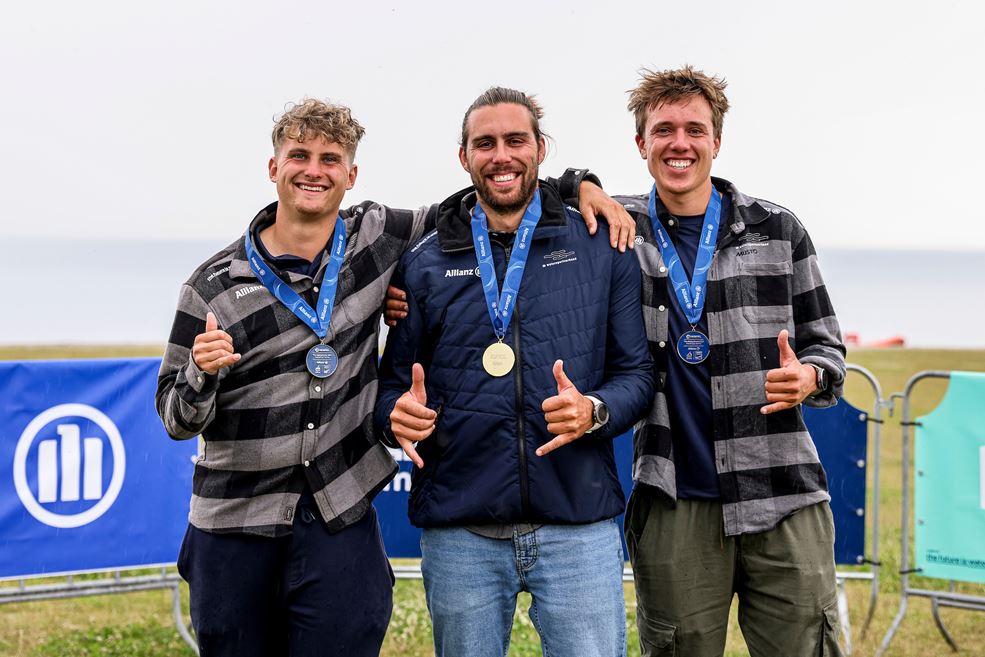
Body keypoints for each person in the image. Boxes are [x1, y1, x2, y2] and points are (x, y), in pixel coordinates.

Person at [156, 97, 634, 657]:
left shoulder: (378, 238)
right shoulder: (212, 284)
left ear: (351, 174)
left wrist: (580, 183)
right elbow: (174, 417)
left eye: (331, 159)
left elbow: (499, 192)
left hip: (338, 510)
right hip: (237, 521)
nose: (315, 170)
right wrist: (200, 372)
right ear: (273, 167)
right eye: (300, 156)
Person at [373, 87, 654, 657]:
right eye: (485, 143)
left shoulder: (603, 244)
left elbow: (637, 375)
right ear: (464, 157)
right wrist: (394, 416)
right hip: (461, 531)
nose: (501, 155)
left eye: (515, 140)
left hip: (579, 524)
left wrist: (594, 411)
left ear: (541, 150)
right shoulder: (423, 262)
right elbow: (391, 387)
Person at [590, 66, 847, 656]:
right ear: (641, 144)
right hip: (675, 499)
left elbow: (826, 344)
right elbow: (526, 190)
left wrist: (810, 375)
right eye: (664, 130)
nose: (680, 143)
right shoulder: (613, 231)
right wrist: (582, 183)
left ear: (717, 141)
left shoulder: (778, 230)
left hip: (782, 493)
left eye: (694, 129)